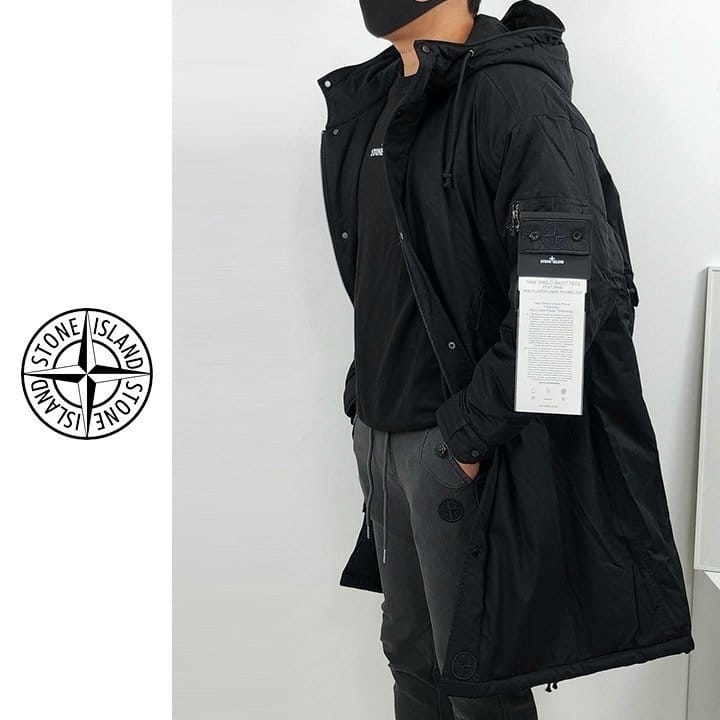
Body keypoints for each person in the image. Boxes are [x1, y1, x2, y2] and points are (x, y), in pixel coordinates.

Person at [317, 2, 694, 719]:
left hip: (457, 445)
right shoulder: (376, 99)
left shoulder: (513, 96)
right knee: (411, 659)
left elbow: (569, 288)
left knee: (479, 684)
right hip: (383, 437)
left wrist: (468, 435)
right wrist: (364, 402)